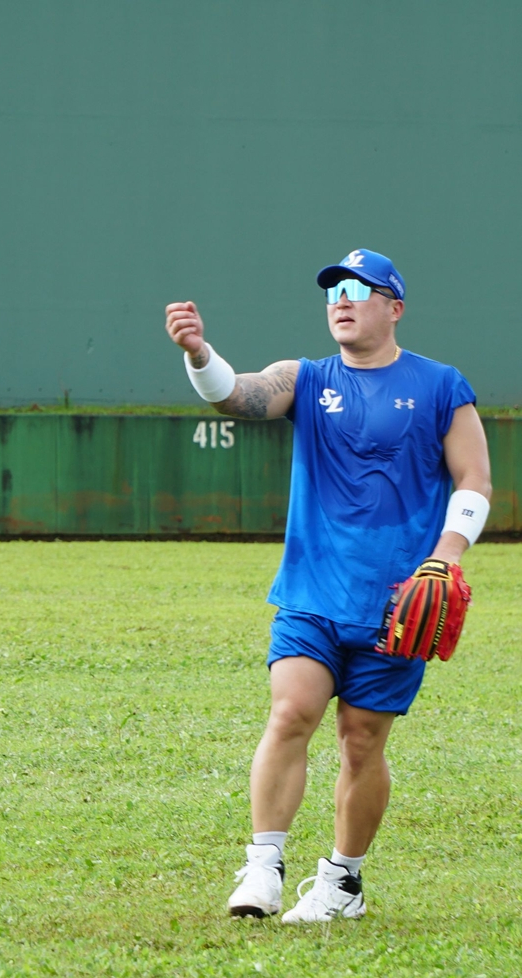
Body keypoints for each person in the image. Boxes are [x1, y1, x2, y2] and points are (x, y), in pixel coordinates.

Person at [164, 248, 492, 923]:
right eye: (332, 291)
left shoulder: (439, 386)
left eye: (357, 289)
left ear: (392, 307)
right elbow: (238, 394)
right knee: (290, 714)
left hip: (399, 600)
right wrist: (199, 354)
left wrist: (446, 555)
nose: (340, 300)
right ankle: (263, 868)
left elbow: (474, 480)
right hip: (312, 590)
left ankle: (342, 883)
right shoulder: (306, 378)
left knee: (361, 740)